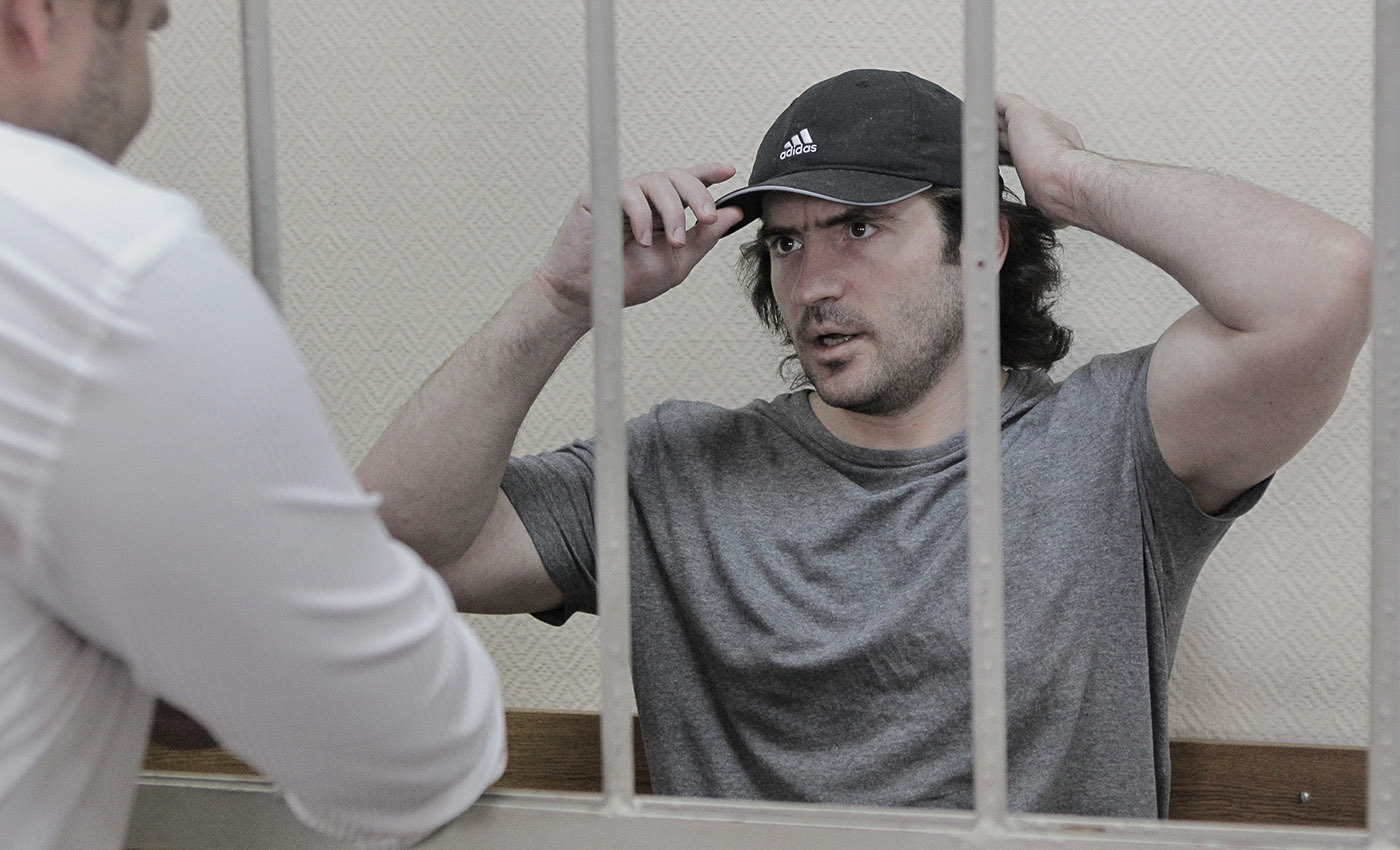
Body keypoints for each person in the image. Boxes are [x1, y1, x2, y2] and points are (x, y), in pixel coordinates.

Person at [358, 69, 1371, 816]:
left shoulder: (1110, 446)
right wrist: (558, 298)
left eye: (859, 228)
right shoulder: (673, 473)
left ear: (983, 241)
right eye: (786, 241)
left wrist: (1064, 180)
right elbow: (384, 553)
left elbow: (1326, 285)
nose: (813, 282)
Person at [0, 2, 507, 848]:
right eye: (142, 26)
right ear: (39, 16)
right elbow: (415, 750)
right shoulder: (101, 268)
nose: (163, 17)